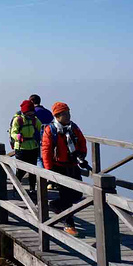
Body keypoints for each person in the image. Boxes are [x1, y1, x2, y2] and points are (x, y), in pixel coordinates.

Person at [42, 102, 88, 237]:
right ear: (57, 115)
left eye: (68, 113)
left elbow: (82, 141)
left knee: (78, 194)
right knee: (66, 196)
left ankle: (55, 206)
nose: (68, 116)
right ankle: (69, 224)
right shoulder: (50, 130)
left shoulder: (73, 127)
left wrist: (81, 154)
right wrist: (49, 170)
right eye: (65, 114)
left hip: (72, 165)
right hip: (59, 167)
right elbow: (46, 150)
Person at [10, 100, 42, 195]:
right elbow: (13, 132)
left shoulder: (35, 120)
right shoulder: (18, 120)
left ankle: (32, 188)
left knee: (33, 169)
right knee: (20, 170)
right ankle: (16, 188)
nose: (31, 113)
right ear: (24, 111)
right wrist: (17, 137)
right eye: (29, 112)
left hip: (33, 147)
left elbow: (41, 128)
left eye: (32, 112)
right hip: (21, 148)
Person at [30, 94, 54, 168]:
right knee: (48, 158)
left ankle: (42, 178)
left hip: (37, 139)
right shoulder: (48, 112)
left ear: (32, 101)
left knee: (38, 159)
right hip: (50, 138)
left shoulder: (33, 113)